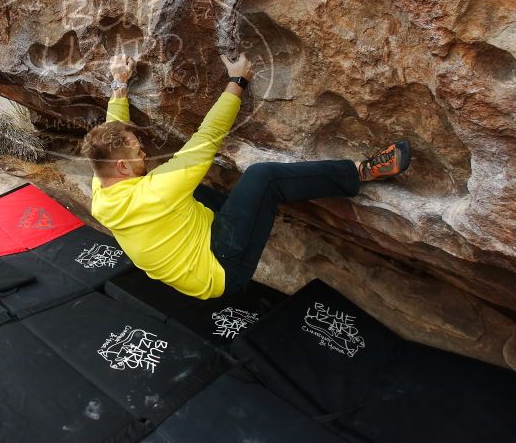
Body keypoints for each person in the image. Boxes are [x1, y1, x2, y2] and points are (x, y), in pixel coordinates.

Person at [82, 53, 410, 300]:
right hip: (221, 273)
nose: (144, 152)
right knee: (262, 177)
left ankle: (252, 217)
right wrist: (237, 81)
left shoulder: (105, 184)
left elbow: (114, 133)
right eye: (137, 151)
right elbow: (206, 138)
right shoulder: (155, 192)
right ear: (123, 167)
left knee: (192, 193)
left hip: (194, 245)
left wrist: (120, 82)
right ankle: (360, 172)